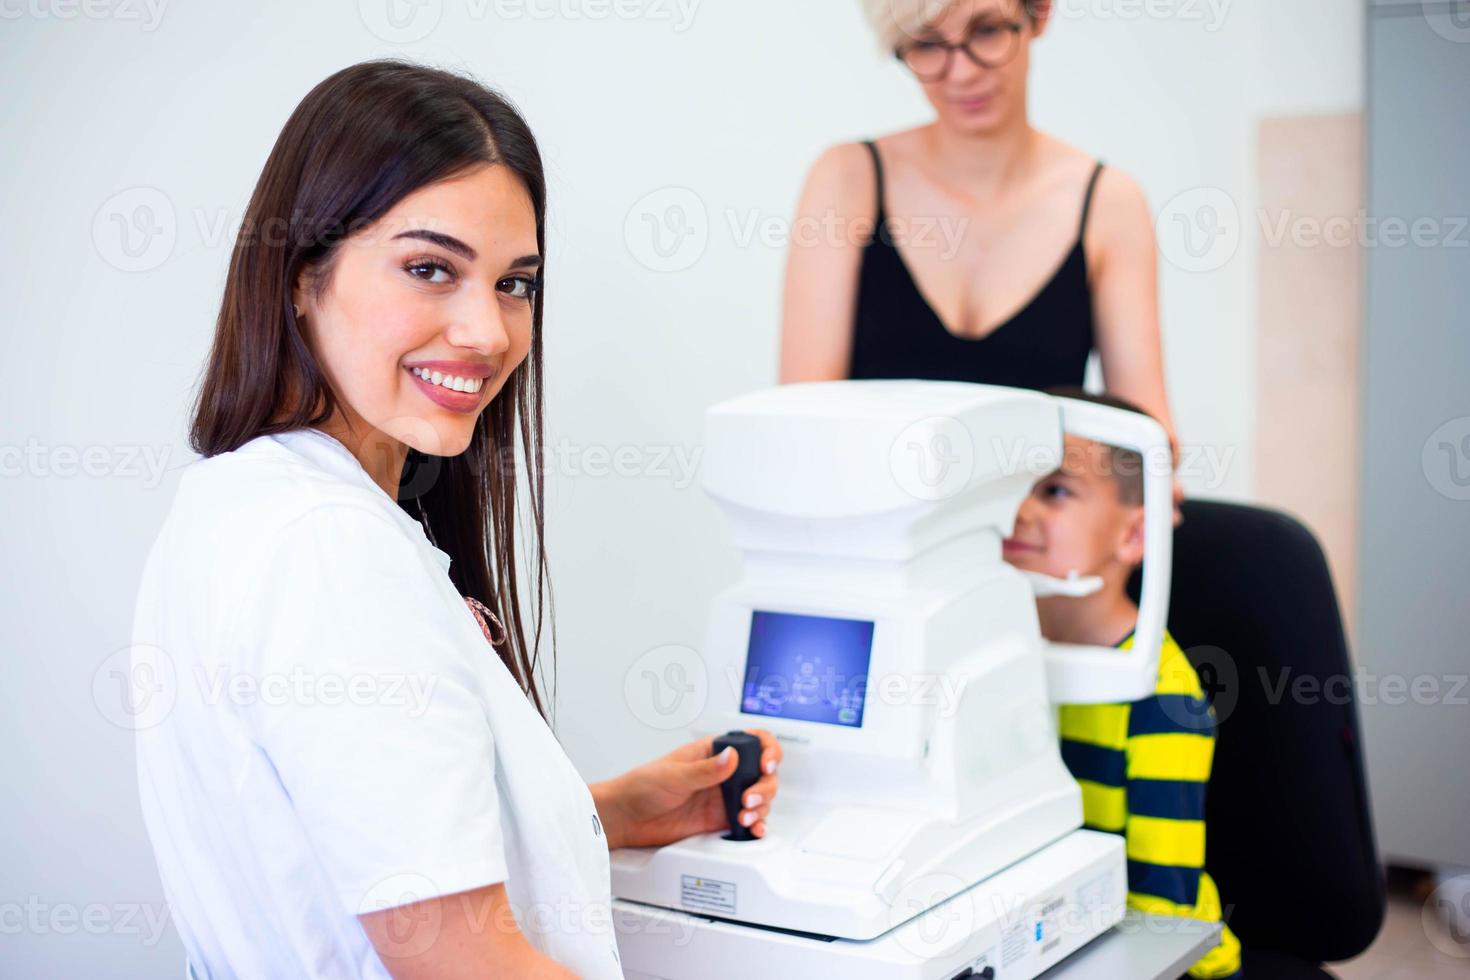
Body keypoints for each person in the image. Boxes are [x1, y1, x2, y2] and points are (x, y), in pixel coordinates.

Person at [130, 59, 781, 980]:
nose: (488, 331)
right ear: (300, 275)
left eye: (515, 283)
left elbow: (352, 850)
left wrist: (607, 812)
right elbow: (466, 966)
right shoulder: (331, 553)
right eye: (430, 269)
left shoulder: (244, 501)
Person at [779, 0, 1182, 498]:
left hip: (1032, 547)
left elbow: (1144, 442)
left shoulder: (1109, 203)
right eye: (928, 45)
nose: (964, 72)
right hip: (873, 537)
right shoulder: (845, 181)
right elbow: (800, 425)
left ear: (1039, 15)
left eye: (988, 31)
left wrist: (1136, 499)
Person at [1001, 388, 1241, 978]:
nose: (1019, 510)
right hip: (1059, 937)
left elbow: (1165, 915)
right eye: (1014, 486)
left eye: (1055, 490)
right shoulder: (996, 656)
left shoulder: (1162, 698)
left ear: (1133, 537)